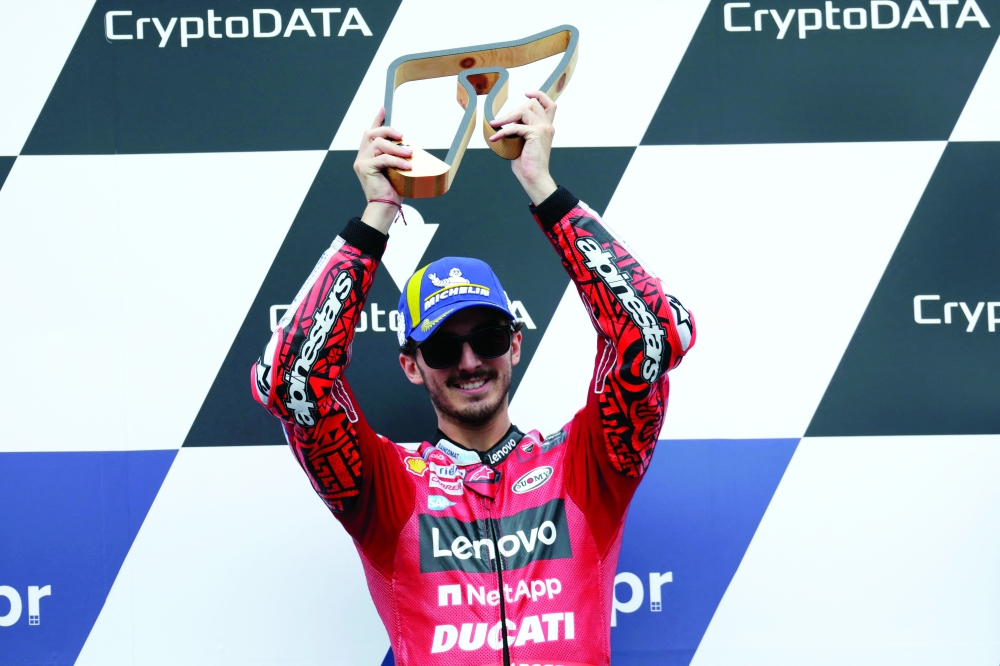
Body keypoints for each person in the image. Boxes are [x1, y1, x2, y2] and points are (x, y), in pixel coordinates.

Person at [251, 91, 695, 666]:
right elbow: (291, 383)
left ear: (514, 343)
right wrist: (376, 217)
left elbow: (655, 333)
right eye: (441, 346)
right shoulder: (387, 490)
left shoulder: (585, 464)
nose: (468, 362)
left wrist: (543, 187)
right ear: (411, 364)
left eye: (485, 338)